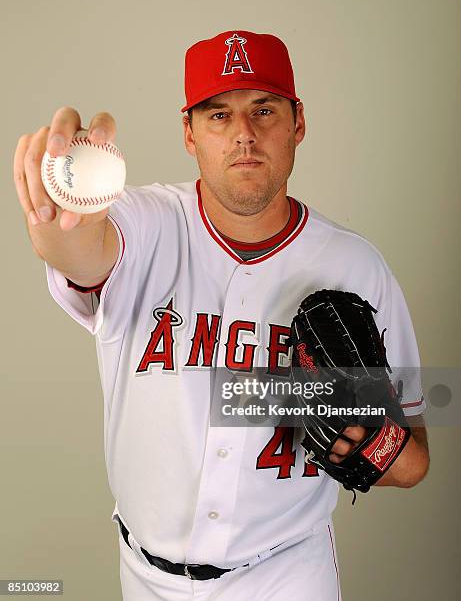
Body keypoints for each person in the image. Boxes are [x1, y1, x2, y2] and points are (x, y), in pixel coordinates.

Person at [14, 30, 429, 600]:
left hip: (287, 575)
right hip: (144, 577)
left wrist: (366, 436)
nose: (244, 135)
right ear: (189, 132)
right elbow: (82, 251)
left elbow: (413, 461)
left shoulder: (356, 267)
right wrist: (55, 220)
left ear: (298, 123)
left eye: (264, 109)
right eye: (218, 115)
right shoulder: (143, 221)